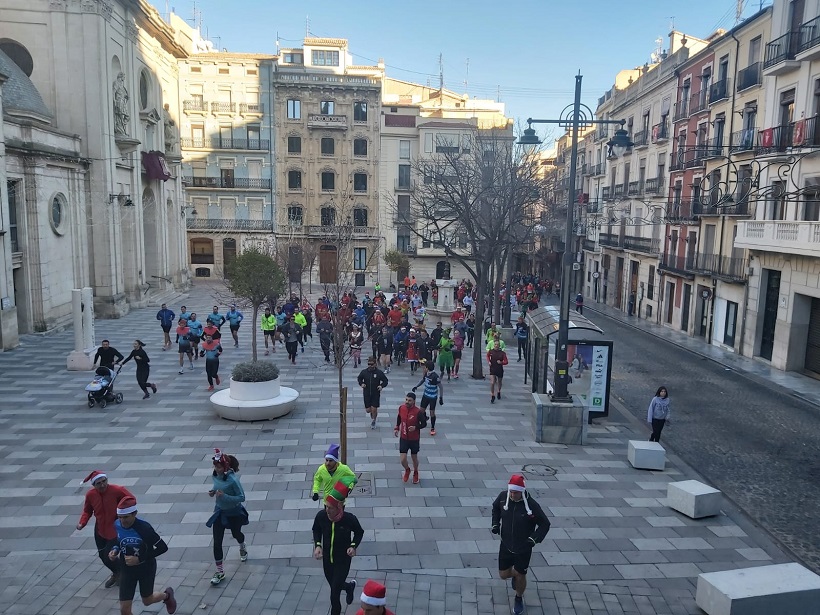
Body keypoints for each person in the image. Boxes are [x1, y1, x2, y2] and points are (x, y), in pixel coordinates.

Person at [491, 475, 551, 615]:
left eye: (516, 492)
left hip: (523, 548)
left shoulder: (532, 505)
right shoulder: (502, 497)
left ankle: (518, 598)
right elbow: (496, 508)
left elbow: (545, 524)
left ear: (522, 491)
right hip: (506, 545)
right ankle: (515, 576)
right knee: (503, 574)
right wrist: (495, 524)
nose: (513, 494)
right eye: (511, 491)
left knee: (520, 574)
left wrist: (533, 539)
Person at [109, 495, 177, 615]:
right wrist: (115, 550)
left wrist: (139, 559)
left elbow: (163, 548)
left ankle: (167, 596)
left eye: (126, 517)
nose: (123, 521)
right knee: (124, 610)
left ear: (134, 513)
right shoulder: (117, 524)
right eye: (120, 517)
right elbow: (118, 540)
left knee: (147, 600)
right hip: (126, 569)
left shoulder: (145, 529)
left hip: (145, 568)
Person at [312, 476, 363, 615]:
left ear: (339, 507)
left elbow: (359, 532)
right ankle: (348, 587)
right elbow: (316, 529)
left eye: (330, 508)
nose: (327, 510)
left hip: (343, 560)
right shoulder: (321, 516)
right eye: (326, 507)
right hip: (327, 560)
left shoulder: (349, 519)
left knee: (334, 595)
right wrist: (317, 545)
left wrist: (353, 546)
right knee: (336, 585)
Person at [76, 470, 135, 589]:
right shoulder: (90, 495)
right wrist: (82, 523)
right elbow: (87, 510)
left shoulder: (117, 490)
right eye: (99, 483)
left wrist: (123, 512)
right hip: (100, 529)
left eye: (104, 481)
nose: (102, 485)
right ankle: (118, 572)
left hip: (114, 528)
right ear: (94, 485)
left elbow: (131, 499)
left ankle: (123, 573)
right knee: (102, 555)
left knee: (109, 556)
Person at [206, 449, 248, 585]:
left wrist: (224, 496)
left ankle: (242, 545)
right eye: (215, 466)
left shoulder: (233, 480)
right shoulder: (215, 476)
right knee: (217, 542)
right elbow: (218, 486)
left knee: (237, 534)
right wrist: (213, 492)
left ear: (225, 467)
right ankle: (220, 572)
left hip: (233, 513)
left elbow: (241, 497)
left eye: (218, 467)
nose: (216, 469)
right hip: (219, 512)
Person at [394, 392, 425, 484]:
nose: (407, 402)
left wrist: (416, 427)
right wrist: (396, 427)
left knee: (414, 457)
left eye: (409, 400)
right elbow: (399, 417)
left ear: (414, 401)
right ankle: (407, 469)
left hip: (414, 439)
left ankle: (416, 472)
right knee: (403, 459)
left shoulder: (418, 412)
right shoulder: (401, 408)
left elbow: (424, 423)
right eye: (406, 399)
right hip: (403, 437)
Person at [412, 360, 443, 436]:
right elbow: (423, 380)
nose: (424, 368)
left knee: (432, 412)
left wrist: (441, 397)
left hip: (432, 397)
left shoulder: (435, 376)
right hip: (425, 395)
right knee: (421, 411)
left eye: (424, 367)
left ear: (427, 368)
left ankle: (432, 427)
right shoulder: (426, 374)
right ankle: (424, 418)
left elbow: (441, 387)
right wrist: (416, 386)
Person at [358, 357, 389, 429]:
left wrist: (381, 386)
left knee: (374, 408)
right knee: (368, 410)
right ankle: (372, 414)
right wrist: (361, 384)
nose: (370, 366)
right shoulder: (364, 372)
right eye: (369, 364)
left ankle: (374, 420)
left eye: (371, 364)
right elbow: (359, 378)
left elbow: (385, 381)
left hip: (375, 393)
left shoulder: (379, 373)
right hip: (366, 393)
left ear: (375, 364)